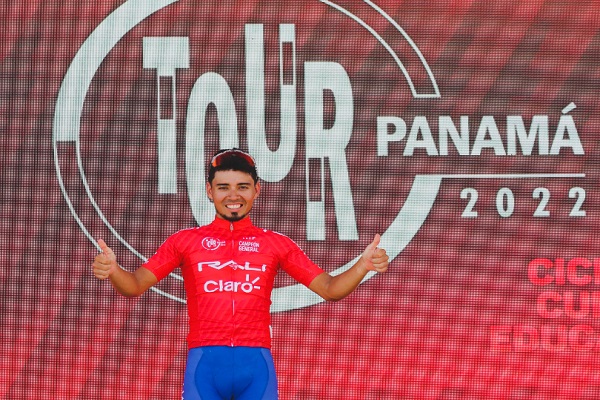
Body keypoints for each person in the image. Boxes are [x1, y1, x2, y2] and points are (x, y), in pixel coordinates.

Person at [92, 148, 389, 400]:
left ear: (257, 189)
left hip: (256, 366)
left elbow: (330, 288)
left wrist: (362, 266)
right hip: (204, 366)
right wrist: (115, 270)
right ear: (209, 191)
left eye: (242, 186)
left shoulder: (275, 243)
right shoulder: (184, 241)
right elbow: (134, 285)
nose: (233, 195)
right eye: (223, 187)